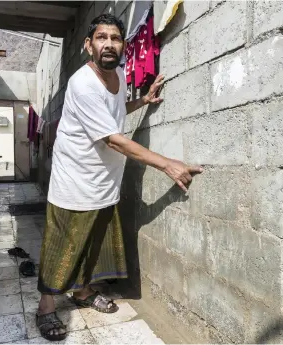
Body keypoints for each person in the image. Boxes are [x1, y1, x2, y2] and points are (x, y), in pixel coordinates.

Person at [36, 13, 203, 341]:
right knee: (64, 247)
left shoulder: (119, 75)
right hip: (74, 182)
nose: (108, 44)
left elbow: (113, 110)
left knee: (93, 245)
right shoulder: (82, 83)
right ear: (88, 45)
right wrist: (166, 164)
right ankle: (45, 307)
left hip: (103, 183)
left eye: (115, 38)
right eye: (101, 38)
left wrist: (142, 100)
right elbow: (111, 137)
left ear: (122, 45)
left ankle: (82, 292)